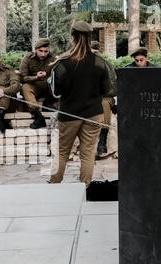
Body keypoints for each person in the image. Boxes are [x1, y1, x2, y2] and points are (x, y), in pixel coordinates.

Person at [48, 20, 111, 187]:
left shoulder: (62, 63)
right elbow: (106, 89)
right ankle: (85, 188)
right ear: (90, 39)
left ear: (72, 37)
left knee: (62, 153)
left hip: (69, 114)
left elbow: (55, 92)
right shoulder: (100, 62)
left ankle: (54, 185)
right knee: (88, 154)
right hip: (94, 114)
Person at [19, 38, 56, 129]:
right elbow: (22, 78)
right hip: (35, 86)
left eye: (46, 51)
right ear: (35, 50)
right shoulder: (28, 58)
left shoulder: (53, 59)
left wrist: (51, 78)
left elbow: (61, 75)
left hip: (49, 87)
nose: (43, 54)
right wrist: (36, 77)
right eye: (40, 51)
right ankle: (38, 116)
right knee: (25, 87)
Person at [91, 41, 117, 158]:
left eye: (96, 53)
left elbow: (113, 88)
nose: (94, 56)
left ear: (100, 53)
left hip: (104, 97)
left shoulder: (107, 66)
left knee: (104, 103)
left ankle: (103, 139)